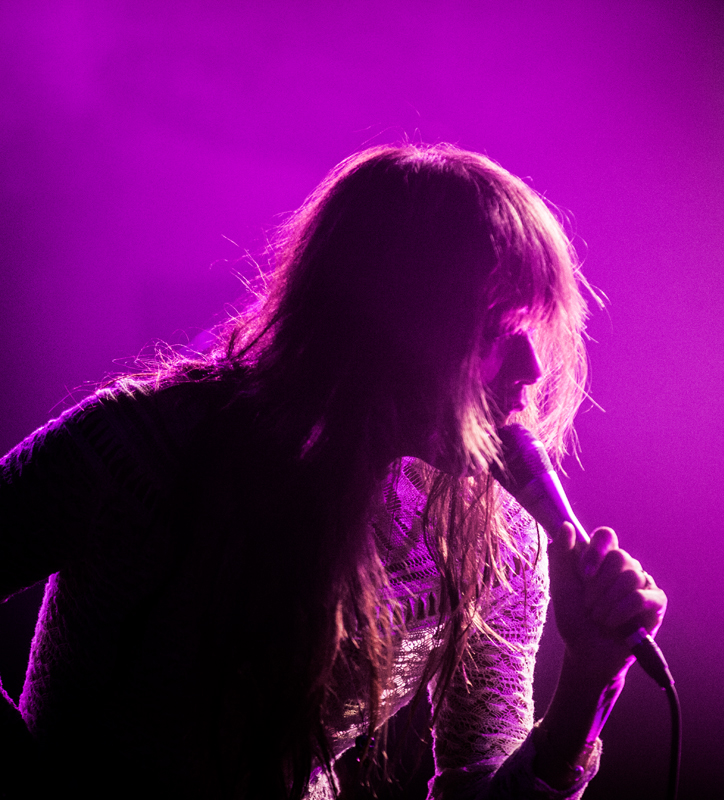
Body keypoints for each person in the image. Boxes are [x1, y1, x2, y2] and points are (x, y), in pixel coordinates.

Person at [0, 144, 666, 799]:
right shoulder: (140, 448)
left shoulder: (502, 543)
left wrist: (586, 681)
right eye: (495, 329)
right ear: (399, 324)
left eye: (538, 331)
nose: (534, 370)